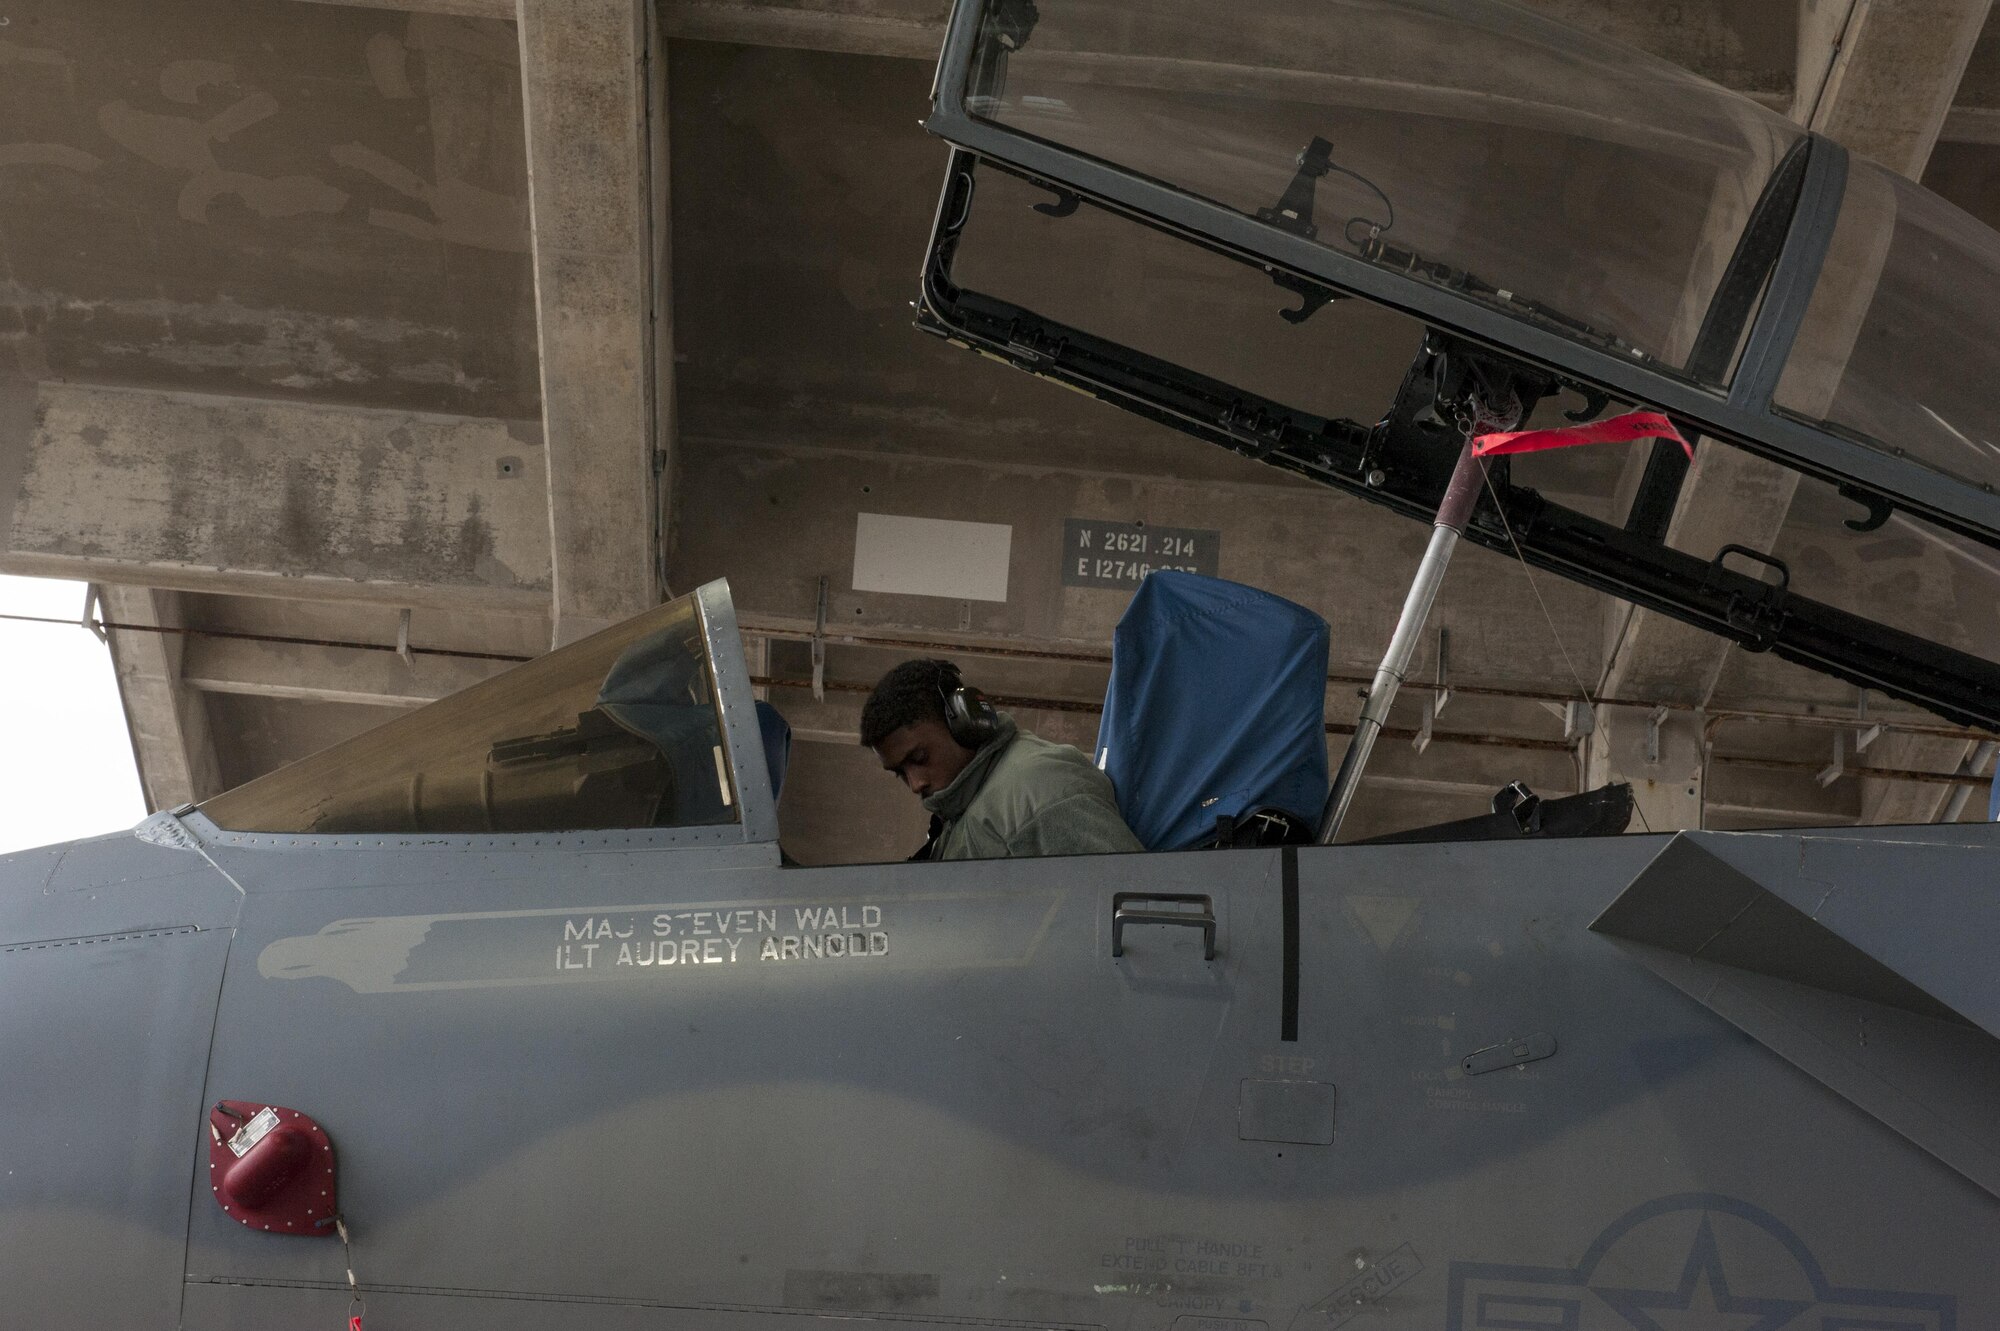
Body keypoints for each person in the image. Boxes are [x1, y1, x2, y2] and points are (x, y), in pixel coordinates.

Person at [860, 659, 1142, 861]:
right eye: (900, 773)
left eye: (919, 758)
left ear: (963, 722)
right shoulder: (964, 811)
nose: (915, 783)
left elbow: (1133, 902)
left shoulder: (1039, 790)